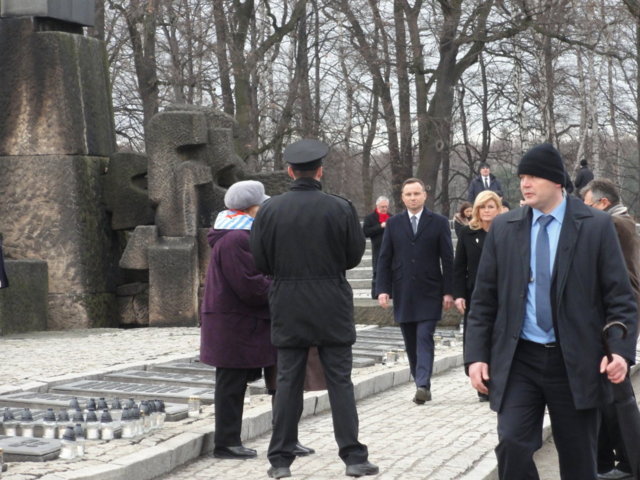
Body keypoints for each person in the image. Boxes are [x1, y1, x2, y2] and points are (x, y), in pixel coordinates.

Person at [465, 143, 637, 480]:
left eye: (533, 177)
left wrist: (619, 351)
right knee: (512, 443)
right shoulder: (504, 228)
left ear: (557, 181)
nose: (524, 184)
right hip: (520, 360)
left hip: (575, 361)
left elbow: (620, 297)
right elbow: (483, 299)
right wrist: (476, 356)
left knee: (578, 460)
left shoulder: (596, 226)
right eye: (521, 177)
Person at [250, 139, 378, 479]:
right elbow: (352, 257)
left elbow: (261, 261)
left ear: (290, 171)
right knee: (340, 381)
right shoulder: (340, 207)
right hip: (330, 300)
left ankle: (279, 461)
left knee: (288, 382)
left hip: (288, 301)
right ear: (320, 171)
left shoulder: (270, 210)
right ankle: (353, 456)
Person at [200, 180, 275, 460]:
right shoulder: (236, 238)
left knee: (232, 383)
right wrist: (277, 283)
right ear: (250, 207)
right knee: (230, 385)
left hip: (233, 322)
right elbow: (249, 285)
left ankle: (230, 440)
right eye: (261, 205)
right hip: (232, 324)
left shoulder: (235, 233)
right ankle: (226, 443)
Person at [581, 178, 640, 480]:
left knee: (618, 392)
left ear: (602, 203)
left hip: (615, 315)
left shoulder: (613, 225)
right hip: (618, 313)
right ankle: (608, 460)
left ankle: (631, 462)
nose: (584, 212)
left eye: (587, 205)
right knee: (611, 390)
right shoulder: (623, 220)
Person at [376, 178, 454, 404]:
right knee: (410, 341)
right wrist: (383, 288)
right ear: (402, 197)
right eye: (408, 194)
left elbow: (448, 259)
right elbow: (385, 258)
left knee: (424, 337)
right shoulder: (394, 223)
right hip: (403, 290)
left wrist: (448, 291)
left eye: (416, 193)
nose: (412, 198)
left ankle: (423, 384)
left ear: (424, 195)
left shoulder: (438, 222)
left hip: (430, 289)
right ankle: (418, 377)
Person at [452, 190, 502, 402]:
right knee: (477, 335)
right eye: (483, 207)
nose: (487, 211)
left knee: (498, 337)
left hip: (502, 293)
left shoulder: (505, 232)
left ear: (498, 209)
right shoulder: (467, 233)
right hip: (475, 294)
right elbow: (459, 266)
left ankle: (497, 379)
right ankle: (481, 383)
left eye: (491, 206)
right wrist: (459, 295)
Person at [362, 196, 392, 299]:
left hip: (391, 250)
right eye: (382, 207)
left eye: (386, 207)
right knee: (377, 272)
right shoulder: (370, 218)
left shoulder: (392, 217)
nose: (384, 209)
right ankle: (376, 294)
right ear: (377, 206)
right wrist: (380, 226)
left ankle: (391, 294)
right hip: (378, 249)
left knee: (391, 271)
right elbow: (365, 232)